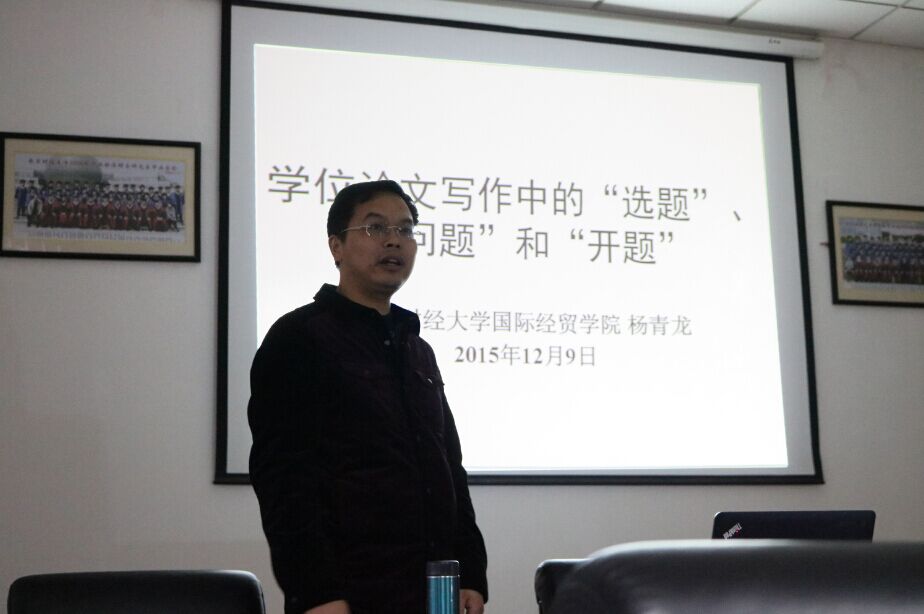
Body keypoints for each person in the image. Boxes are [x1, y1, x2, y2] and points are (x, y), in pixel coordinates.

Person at [248, 180, 488, 614]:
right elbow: (284, 478)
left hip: (435, 590)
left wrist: (470, 571)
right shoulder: (300, 338)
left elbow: (448, 467)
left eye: (406, 229)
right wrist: (316, 592)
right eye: (375, 228)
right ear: (336, 246)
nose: (394, 240)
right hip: (350, 592)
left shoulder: (417, 349)